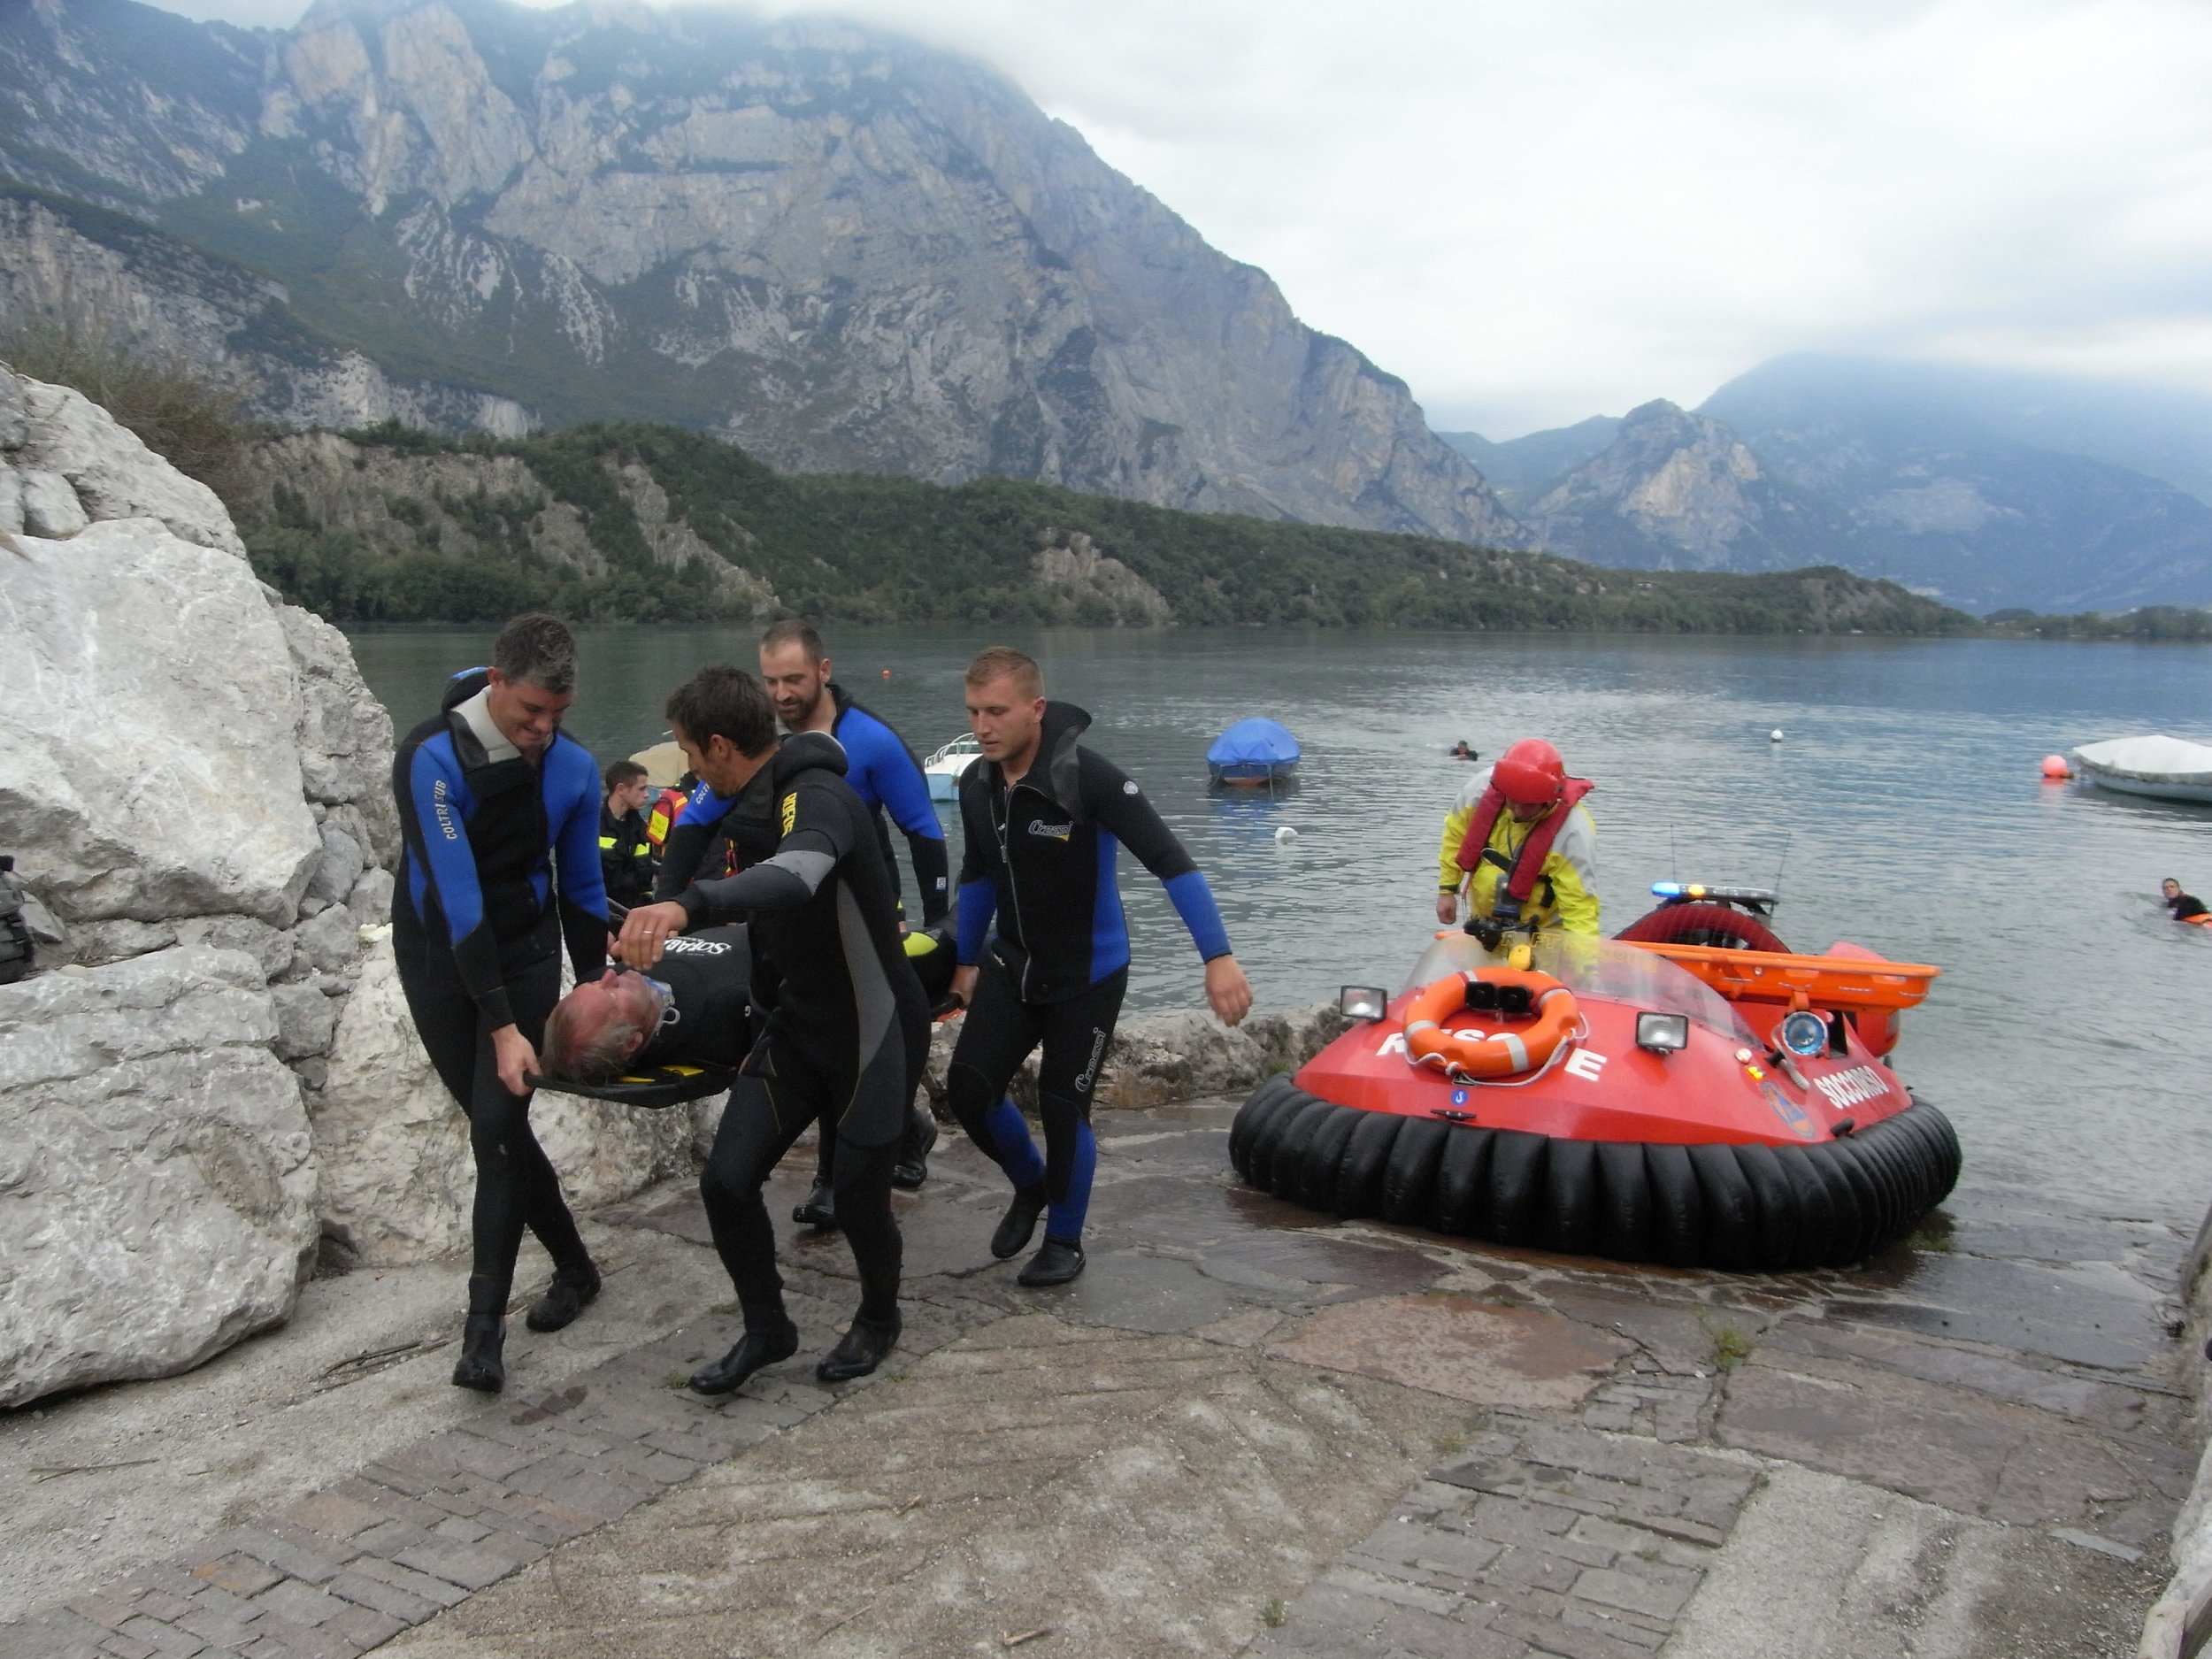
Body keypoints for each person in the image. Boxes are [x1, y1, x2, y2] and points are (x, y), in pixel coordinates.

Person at [617, 665, 927, 1393]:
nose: (688, 768)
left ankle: (880, 1317)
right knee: (726, 1182)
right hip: (798, 1026)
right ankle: (768, 1326)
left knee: (857, 1199)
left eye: (690, 752)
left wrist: (689, 905)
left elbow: (796, 876)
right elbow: (719, 870)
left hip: (872, 1029)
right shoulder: (746, 797)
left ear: (720, 745)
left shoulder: (815, 794)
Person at [947, 647, 1252, 1287]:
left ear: (1035, 709)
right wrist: (964, 962)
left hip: (1088, 974)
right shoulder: (977, 784)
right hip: (1012, 965)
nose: (983, 725)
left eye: (996, 711)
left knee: (1064, 1110)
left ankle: (1064, 1239)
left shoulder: (1090, 778)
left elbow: (1172, 860)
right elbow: (976, 874)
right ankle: (1031, 1186)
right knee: (970, 1090)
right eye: (974, 711)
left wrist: (1217, 957)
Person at [390, 614, 610, 1394]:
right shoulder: (431, 758)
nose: (542, 731)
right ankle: (577, 1267)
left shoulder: (576, 769)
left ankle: (482, 1334)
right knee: (501, 1132)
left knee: (497, 1126)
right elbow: (455, 899)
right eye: (528, 715)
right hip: (438, 953)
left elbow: (582, 888)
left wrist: (595, 986)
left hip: (521, 950)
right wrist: (504, 1026)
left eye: (557, 713)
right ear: (496, 684)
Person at [758, 619, 947, 1217]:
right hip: (800, 918)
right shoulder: (769, 742)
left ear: (824, 671)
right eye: (770, 681)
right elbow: (700, 818)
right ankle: (907, 1129)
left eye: (793, 679)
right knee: (824, 1037)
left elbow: (924, 830)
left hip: (871, 917)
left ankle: (833, 1181)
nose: (782, 693)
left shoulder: (871, 741)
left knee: (856, 1039)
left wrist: (941, 923)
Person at [541, 925, 754, 1083]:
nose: (609, 975)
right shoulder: (719, 1018)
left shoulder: (607, 981)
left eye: (596, 984)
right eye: (613, 996)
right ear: (632, 1043)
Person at [1436, 737, 1600, 938]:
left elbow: (1580, 907)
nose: (1519, 810)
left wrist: (1582, 966)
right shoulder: (1480, 791)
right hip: (1484, 927)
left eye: (1529, 804)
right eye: (1513, 801)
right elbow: (1455, 835)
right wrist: (1447, 889)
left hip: (1543, 936)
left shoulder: (1573, 832)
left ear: (1551, 797)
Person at [598, 758, 657, 910]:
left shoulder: (640, 830)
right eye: (641, 789)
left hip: (636, 910)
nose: (646, 795)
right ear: (621, 789)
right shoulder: (592, 827)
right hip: (603, 911)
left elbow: (645, 879)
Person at [645, 769, 696, 859]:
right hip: (678, 866)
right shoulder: (671, 799)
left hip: (720, 867)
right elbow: (656, 841)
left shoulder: (721, 794)